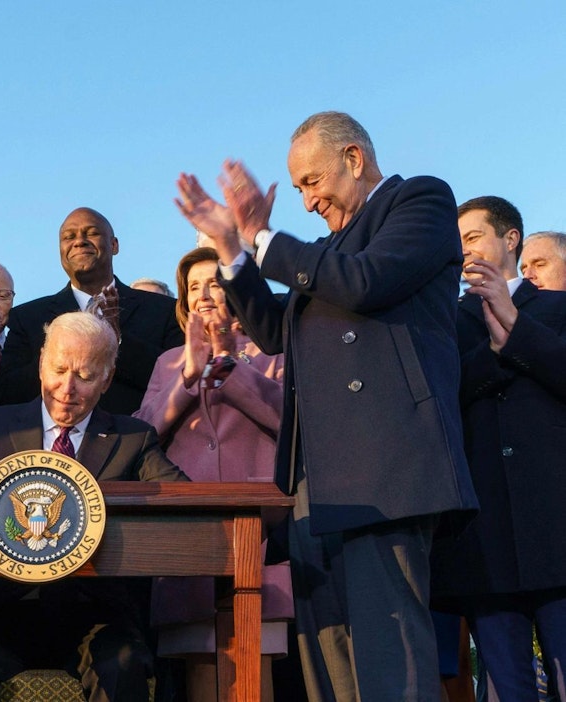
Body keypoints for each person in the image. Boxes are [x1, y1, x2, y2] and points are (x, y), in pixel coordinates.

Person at [174, 111, 477, 701]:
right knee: (330, 664)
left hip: (386, 472)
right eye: (298, 190)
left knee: (391, 659)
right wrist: (232, 250)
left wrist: (262, 238)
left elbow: (365, 281)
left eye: (312, 182)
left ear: (354, 159)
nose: (308, 202)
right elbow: (274, 332)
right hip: (315, 481)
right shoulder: (324, 253)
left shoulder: (419, 201)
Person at [0, 311, 189, 702]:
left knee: (124, 663)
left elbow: (182, 499)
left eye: (84, 375)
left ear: (107, 379)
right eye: (59, 370)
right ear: (41, 365)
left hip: (96, 615)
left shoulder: (133, 439)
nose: (67, 388)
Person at [134, 247, 290, 701]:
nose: (202, 294)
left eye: (214, 283)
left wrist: (226, 363)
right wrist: (187, 375)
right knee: (200, 663)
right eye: (193, 286)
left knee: (254, 663)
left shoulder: (272, 350)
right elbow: (141, 433)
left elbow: (288, 420)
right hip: (189, 528)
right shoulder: (167, 360)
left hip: (258, 531)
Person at [431, 196, 566, 701]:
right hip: (482, 540)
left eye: (473, 237)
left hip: (556, 526)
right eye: (457, 242)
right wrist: (493, 354)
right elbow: (439, 396)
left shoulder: (557, 308)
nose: (464, 250)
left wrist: (517, 329)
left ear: (511, 239)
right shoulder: (444, 321)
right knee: (507, 688)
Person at [0, 207, 183, 414]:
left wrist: (118, 341)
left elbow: (177, 381)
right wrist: (57, 355)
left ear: (114, 245)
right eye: (69, 237)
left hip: (138, 431)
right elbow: (7, 393)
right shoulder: (27, 317)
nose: (79, 241)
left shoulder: (164, 310)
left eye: (92, 233)